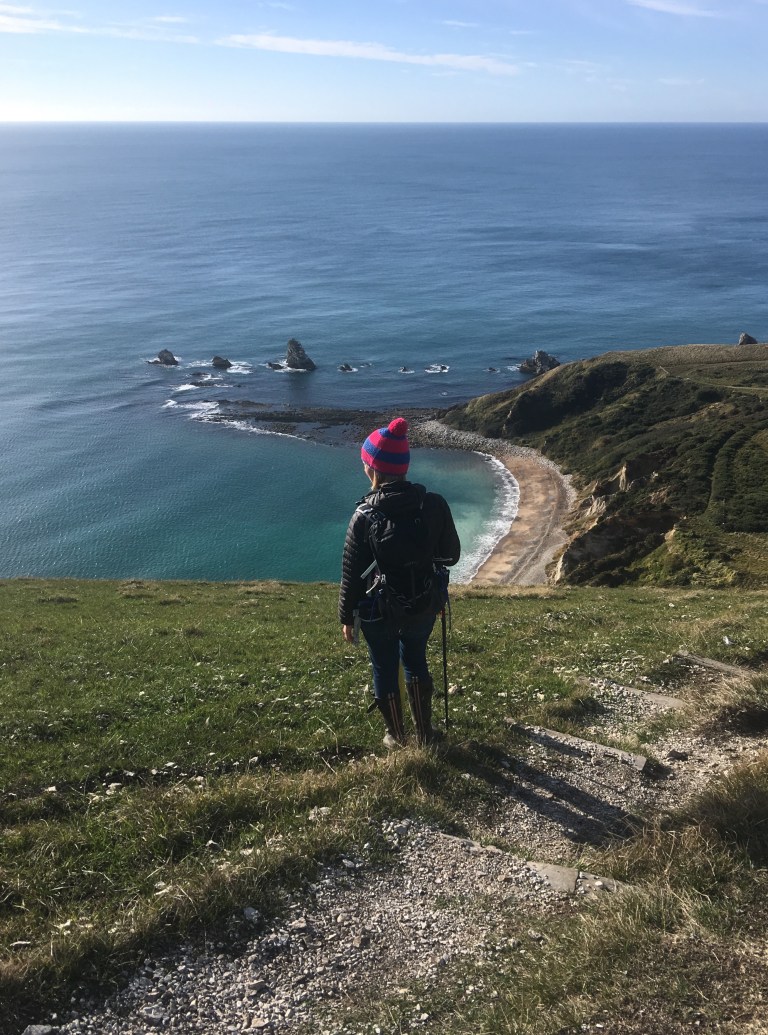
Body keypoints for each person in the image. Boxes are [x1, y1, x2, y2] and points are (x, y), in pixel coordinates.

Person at [339, 417, 461, 748]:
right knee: (416, 658)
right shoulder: (433, 503)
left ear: (371, 468)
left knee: (384, 665)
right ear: (404, 467)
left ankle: (396, 735)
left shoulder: (363, 515)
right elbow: (451, 556)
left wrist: (346, 618)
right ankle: (425, 733)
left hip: (378, 610)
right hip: (423, 603)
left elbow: (351, 573)